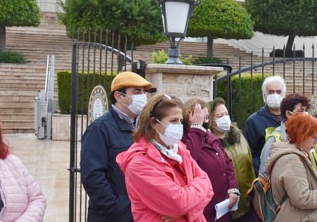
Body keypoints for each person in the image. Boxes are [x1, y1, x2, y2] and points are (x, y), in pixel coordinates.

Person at [116, 93, 213, 221]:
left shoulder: (179, 149)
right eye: (173, 121)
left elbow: (209, 187)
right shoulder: (139, 164)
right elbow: (178, 203)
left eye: (180, 121)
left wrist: (186, 212)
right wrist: (187, 204)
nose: (179, 126)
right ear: (154, 123)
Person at [81, 71, 153, 222]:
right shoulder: (100, 128)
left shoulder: (142, 128)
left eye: (143, 92)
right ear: (119, 96)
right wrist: (117, 208)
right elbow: (92, 176)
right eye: (136, 92)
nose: (142, 97)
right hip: (112, 216)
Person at [266, 113, 317, 222]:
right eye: (315, 138)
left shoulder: (295, 155)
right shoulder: (291, 160)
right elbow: (303, 198)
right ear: (302, 135)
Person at [182, 97, 239, 222]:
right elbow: (190, 158)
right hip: (203, 207)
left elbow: (228, 163)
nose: (205, 120)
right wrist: (195, 128)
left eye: (207, 117)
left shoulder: (211, 137)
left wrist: (233, 188)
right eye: (202, 117)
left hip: (221, 205)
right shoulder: (186, 139)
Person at [209, 97, 256, 221]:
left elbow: (249, 164)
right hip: (224, 208)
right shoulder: (208, 143)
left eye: (226, 114)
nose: (225, 118)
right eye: (220, 116)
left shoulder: (238, 135)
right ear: (210, 120)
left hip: (246, 204)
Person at [259, 93, 317, 183]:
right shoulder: (274, 140)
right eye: (301, 111)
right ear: (289, 114)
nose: (305, 115)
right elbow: (264, 173)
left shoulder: (310, 138)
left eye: (306, 111)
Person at [243, 76, 286, 174]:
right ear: (264, 95)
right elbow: (251, 154)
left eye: (278, 92)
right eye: (271, 92)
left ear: (284, 95)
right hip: (266, 176)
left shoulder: (290, 118)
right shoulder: (254, 121)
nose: (275, 95)